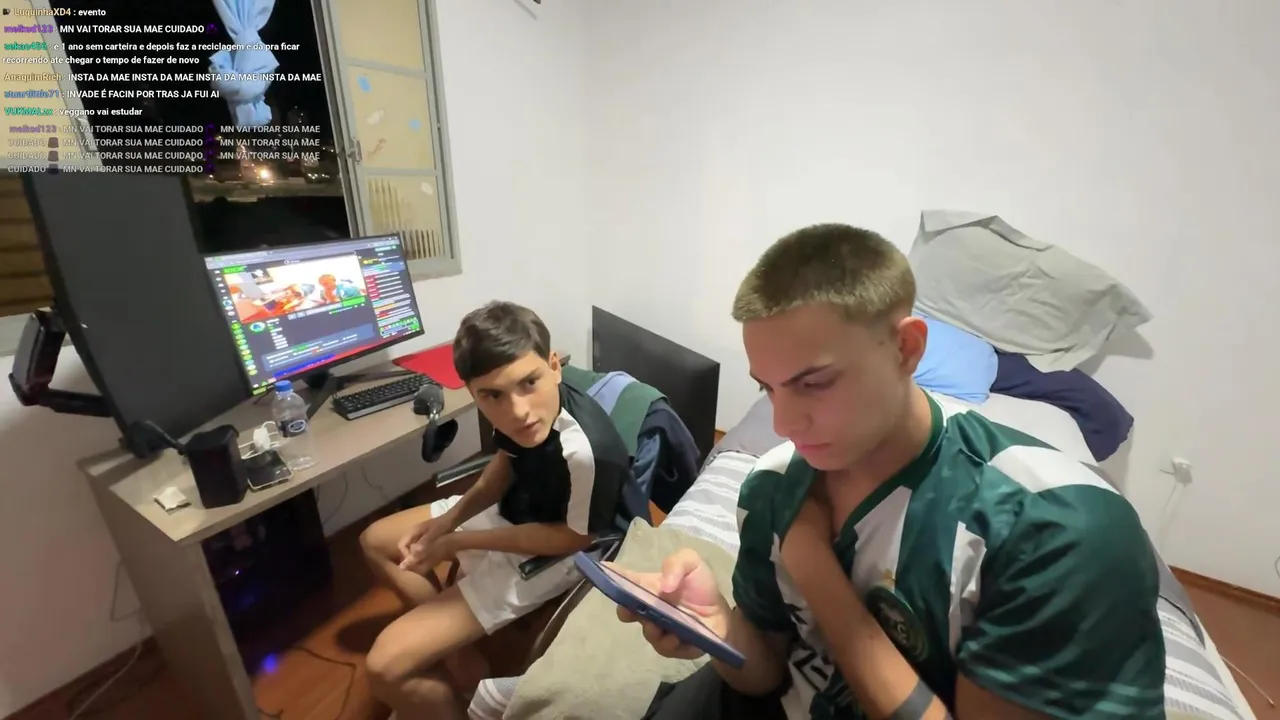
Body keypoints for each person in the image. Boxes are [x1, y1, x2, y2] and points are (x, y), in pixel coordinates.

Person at [614, 224, 1165, 719]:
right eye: (768, 388)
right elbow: (764, 675)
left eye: (814, 383)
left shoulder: (1055, 530)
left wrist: (812, 563)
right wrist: (717, 625)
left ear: (906, 348)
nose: (783, 424)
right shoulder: (772, 487)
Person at [360, 300, 642, 720]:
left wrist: (459, 541)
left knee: (384, 667)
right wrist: (448, 522)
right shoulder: (516, 413)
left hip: (569, 545)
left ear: (554, 366)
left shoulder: (585, 451)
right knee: (375, 541)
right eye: (492, 395)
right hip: (521, 509)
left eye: (529, 382)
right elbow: (504, 465)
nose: (517, 411)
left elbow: (574, 537)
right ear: (474, 392)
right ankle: (461, 655)